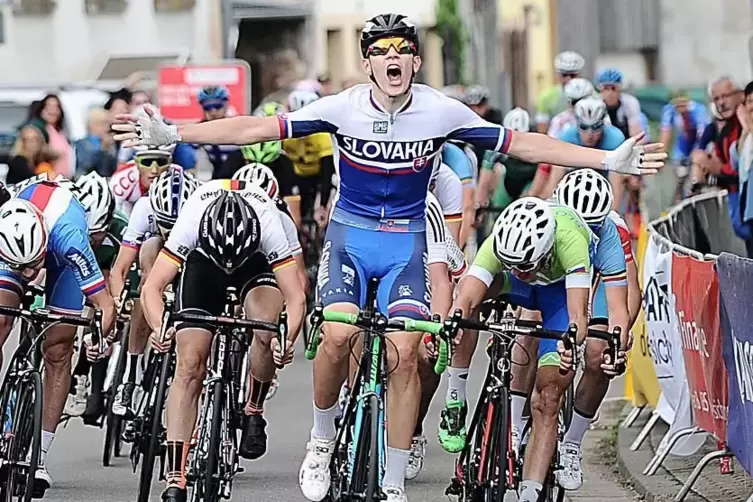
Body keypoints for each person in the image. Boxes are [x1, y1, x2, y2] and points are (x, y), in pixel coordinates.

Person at [112, 13, 665, 502]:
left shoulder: (438, 110)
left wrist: (606, 157)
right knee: (335, 336)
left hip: (405, 241)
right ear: (368, 64)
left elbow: (520, 145)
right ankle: (322, 437)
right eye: (380, 52)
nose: (392, 58)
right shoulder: (343, 107)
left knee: (405, 353)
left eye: (402, 50)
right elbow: (258, 127)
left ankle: (395, 476)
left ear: (416, 61)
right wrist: (176, 131)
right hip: (352, 236)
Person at [137, 180, 305, 502]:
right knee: (189, 365)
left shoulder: (269, 221)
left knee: (266, 329)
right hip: (204, 263)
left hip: (255, 264)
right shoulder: (191, 220)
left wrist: (285, 340)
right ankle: (175, 474)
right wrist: (160, 328)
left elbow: (296, 298)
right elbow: (152, 288)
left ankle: (253, 407)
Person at [450, 196, 625, 502]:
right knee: (466, 309)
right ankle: (461, 399)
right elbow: (466, 295)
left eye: (524, 266)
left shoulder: (571, 240)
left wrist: (570, 344)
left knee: (549, 395)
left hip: (557, 295)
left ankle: (529, 493)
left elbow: (576, 317)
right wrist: (455, 321)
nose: (518, 270)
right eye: (512, 264)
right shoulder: (501, 242)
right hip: (515, 291)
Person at [0, 181, 116, 495]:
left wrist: (97, 339)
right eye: (20, 269)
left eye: (32, 267)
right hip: (15, 240)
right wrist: (22, 264)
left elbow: (105, 306)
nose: (27, 276)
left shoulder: (72, 240)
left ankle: (39, 456)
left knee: (58, 349)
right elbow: (19, 266)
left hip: (61, 254)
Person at [549, 169, 637, 490]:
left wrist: (619, 344)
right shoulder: (548, 217)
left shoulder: (614, 231)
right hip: (559, 279)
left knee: (601, 352)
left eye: (593, 226)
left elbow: (626, 301)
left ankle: (572, 443)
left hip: (600, 281)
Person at [109, 167, 199, 421]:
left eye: (176, 226)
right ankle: (131, 374)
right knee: (149, 256)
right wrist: (120, 301)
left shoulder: (200, 210)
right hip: (157, 256)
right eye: (166, 225)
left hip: (193, 253)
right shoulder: (144, 208)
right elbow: (120, 269)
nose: (171, 232)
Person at [66, 172, 123, 422]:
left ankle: (93, 382)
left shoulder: (120, 232)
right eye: (87, 234)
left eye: (96, 234)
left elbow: (119, 280)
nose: (90, 241)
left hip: (104, 273)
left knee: (103, 311)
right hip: (69, 268)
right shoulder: (66, 223)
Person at [543, 98, 626, 203]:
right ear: (576, 124)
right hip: (575, 178)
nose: (589, 134)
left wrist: (614, 215)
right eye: (584, 127)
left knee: (631, 181)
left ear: (603, 124)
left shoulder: (615, 139)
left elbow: (616, 185)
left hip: (605, 178)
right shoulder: (566, 138)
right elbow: (554, 181)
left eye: (596, 127)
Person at [281, 89, 335, 227]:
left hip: (318, 175)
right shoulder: (286, 135)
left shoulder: (322, 135)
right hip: (296, 176)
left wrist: (323, 204)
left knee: (328, 199)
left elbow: (326, 172)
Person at [658, 90, 710, 201]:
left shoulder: (698, 110)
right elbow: (665, 134)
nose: (679, 108)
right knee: (679, 180)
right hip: (681, 147)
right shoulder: (669, 110)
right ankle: (679, 200)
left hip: (696, 143)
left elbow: (703, 136)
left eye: (682, 104)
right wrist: (660, 156)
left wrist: (697, 156)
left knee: (695, 175)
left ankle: (697, 191)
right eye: (677, 105)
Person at [111, 144, 175, 217]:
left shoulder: (178, 175)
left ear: (170, 163)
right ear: (136, 163)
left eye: (161, 162)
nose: (154, 170)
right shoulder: (121, 179)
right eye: (147, 163)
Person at [536, 51, 586, 133]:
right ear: (558, 75)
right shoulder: (546, 97)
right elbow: (542, 131)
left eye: (573, 75)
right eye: (564, 75)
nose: (568, 79)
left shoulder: (592, 95)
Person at [32, 94, 73, 179]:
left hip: (64, 179)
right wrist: (55, 154)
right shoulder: (39, 129)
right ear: (42, 109)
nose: (53, 110)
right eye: (49, 106)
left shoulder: (60, 131)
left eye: (56, 107)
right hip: (49, 179)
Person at [596, 68, 643, 140]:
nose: (610, 92)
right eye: (606, 88)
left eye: (613, 88)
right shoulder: (595, 104)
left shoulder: (630, 102)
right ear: (600, 89)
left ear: (620, 88)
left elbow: (635, 134)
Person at [7, 119, 57, 184]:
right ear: (22, 143)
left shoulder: (38, 163)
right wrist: (46, 177)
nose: (33, 143)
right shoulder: (18, 161)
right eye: (29, 140)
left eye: (36, 139)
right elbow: (29, 181)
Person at [74, 108, 118, 178]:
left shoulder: (109, 144)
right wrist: (102, 148)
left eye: (108, 124)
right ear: (92, 125)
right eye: (103, 124)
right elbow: (87, 166)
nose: (107, 128)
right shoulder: (82, 144)